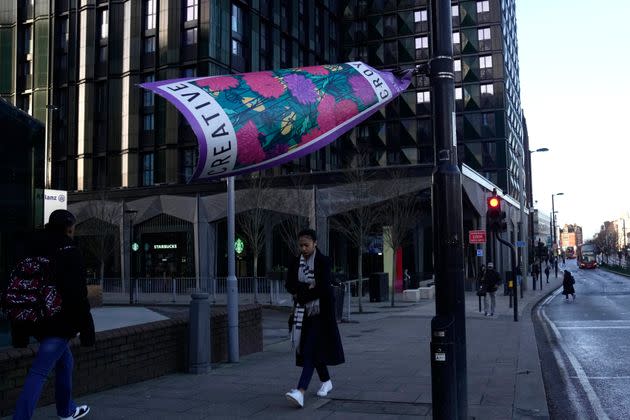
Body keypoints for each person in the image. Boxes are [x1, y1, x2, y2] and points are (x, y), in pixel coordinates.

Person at [11, 209, 95, 420]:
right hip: (59, 322)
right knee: (39, 372)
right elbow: (78, 294)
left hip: (34, 318)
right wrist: (87, 330)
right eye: (73, 227)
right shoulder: (69, 250)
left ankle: (66, 410)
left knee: (65, 361)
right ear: (69, 227)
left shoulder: (30, 245)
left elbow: (19, 285)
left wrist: (19, 330)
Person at [284, 229, 345, 408]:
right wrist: (308, 287)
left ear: (315, 243)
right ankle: (326, 381)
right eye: (301, 245)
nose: (303, 248)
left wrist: (301, 293)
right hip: (302, 315)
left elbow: (324, 289)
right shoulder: (295, 262)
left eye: (306, 245)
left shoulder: (323, 261)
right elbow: (289, 285)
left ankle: (300, 391)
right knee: (313, 351)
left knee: (310, 350)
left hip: (321, 314)